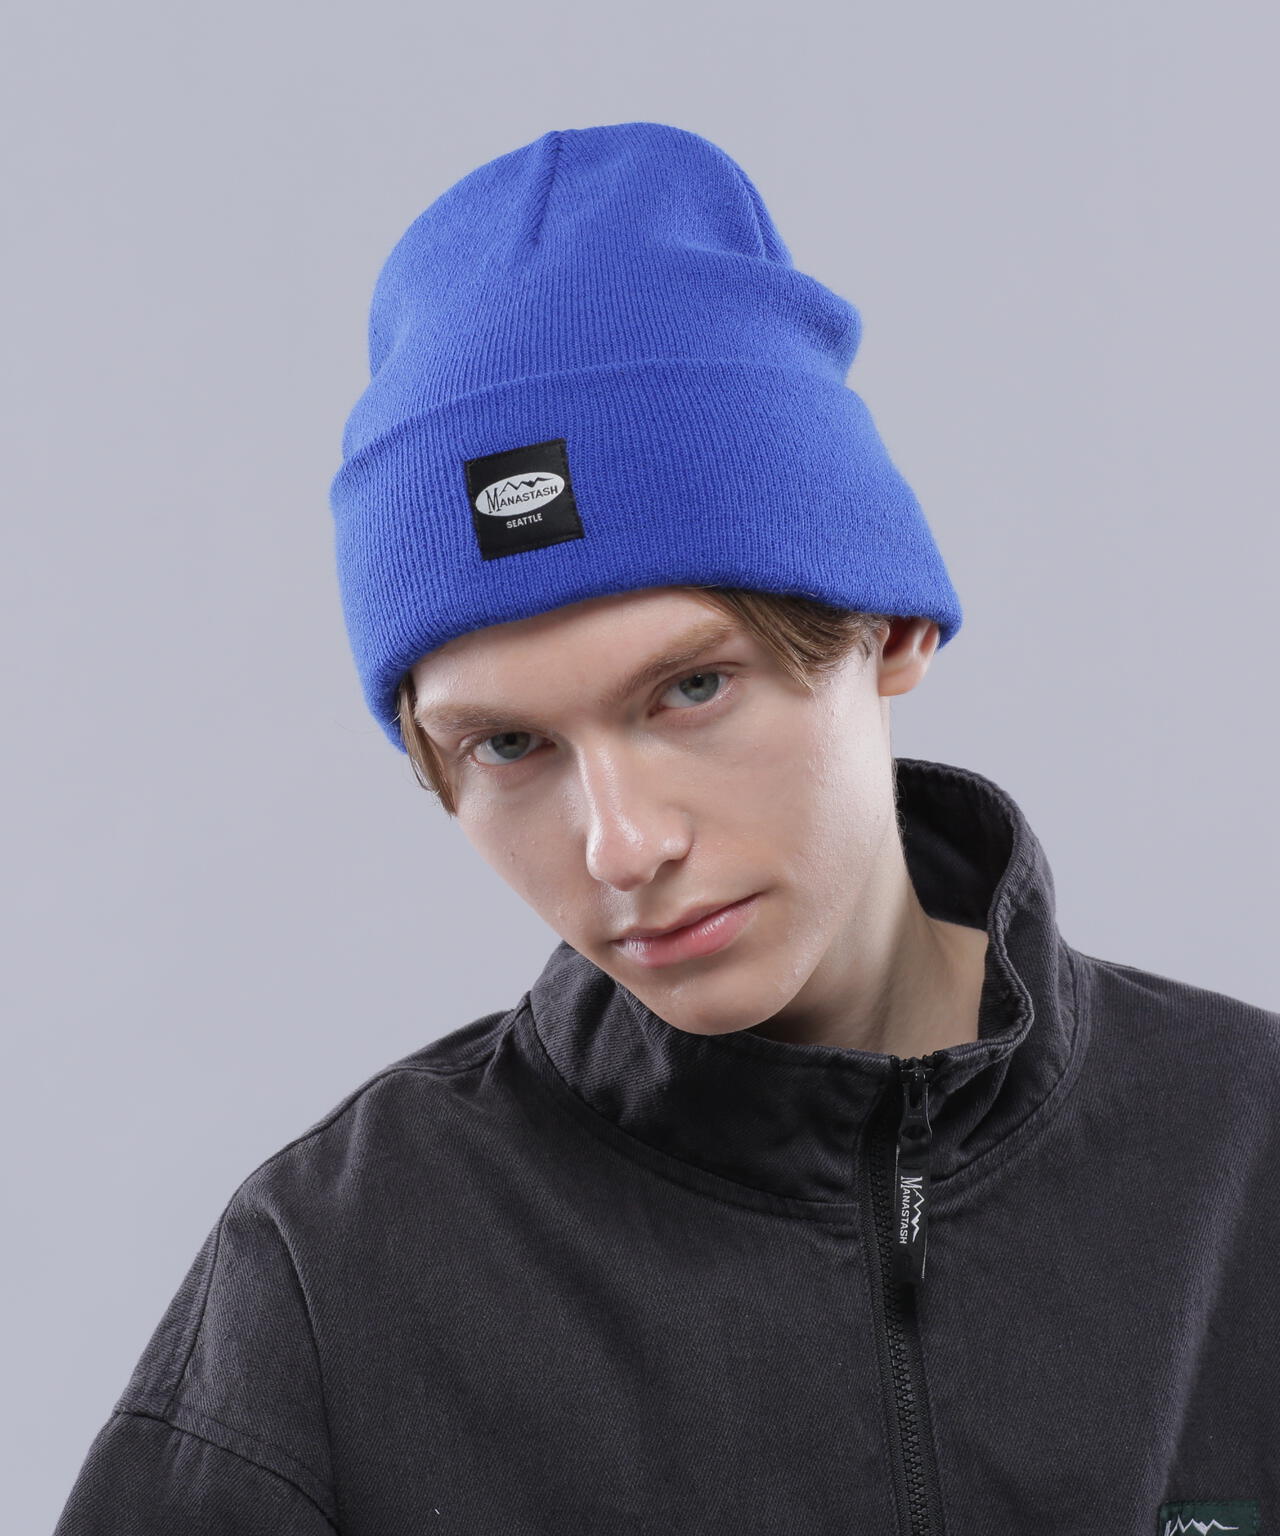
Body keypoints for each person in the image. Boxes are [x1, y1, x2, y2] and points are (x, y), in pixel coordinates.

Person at [53, 120, 1278, 1536]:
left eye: (691, 689)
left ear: (888, 627)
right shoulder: (331, 1275)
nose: (622, 847)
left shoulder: (1246, 1149)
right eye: (510, 745)